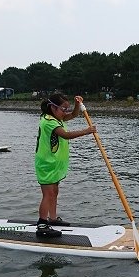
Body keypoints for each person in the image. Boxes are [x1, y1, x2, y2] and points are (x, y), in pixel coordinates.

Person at [34, 93, 96, 238]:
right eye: (63, 109)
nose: (65, 112)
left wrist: (77, 105)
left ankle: (53, 219)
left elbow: (73, 115)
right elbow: (65, 135)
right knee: (48, 194)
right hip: (46, 163)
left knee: (54, 192)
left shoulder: (57, 118)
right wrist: (87, 131)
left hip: (55, 163)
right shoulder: (49, 121)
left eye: (66, 109)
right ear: (52, 108)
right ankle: (42, 224)